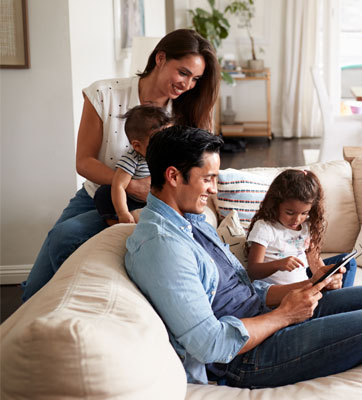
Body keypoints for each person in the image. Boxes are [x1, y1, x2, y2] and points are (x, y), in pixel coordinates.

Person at [125, 126, 362, 399]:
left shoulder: (192, 221)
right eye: (208, 178)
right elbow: (210, 345)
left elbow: (245, 288)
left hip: (265, 314)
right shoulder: (162, 247)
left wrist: (309, 285)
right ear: (174, 176)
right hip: (245, 356)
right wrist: (286, 315)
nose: (213, 189)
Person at [21, 29, 219, 301]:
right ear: (160, 58)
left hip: (150, 203)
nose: (188, 85)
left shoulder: (186, 112)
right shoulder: (105, 93)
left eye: (195, 78)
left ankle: (68, 304)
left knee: (65, 237)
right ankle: (43, 311)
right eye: (183, 72)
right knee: (35, 286)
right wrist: (131, 184)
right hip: (97, 193)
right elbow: (84, 161)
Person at [245, 169, 357, 288]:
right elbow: (253, 270)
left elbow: (315, 263)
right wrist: (278, 264)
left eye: (304, 213)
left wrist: (327, 280)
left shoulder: (306, 226)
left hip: (306, 286)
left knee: (349, 263)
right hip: (285, 294)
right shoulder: (265, 228)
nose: (297, 219)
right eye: (290, 213)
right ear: (275, 204)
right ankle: (339, 300)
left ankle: (337, 296)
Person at [93, 105, 172, 225]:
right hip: (132, 202)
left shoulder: (169, 155)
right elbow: (119, 185)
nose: (165, 145)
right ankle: (115, 222)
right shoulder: (132, 159)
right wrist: (122, 212)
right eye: (158, 141)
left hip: (157, 201)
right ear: (137, 146)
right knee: (104, 193)